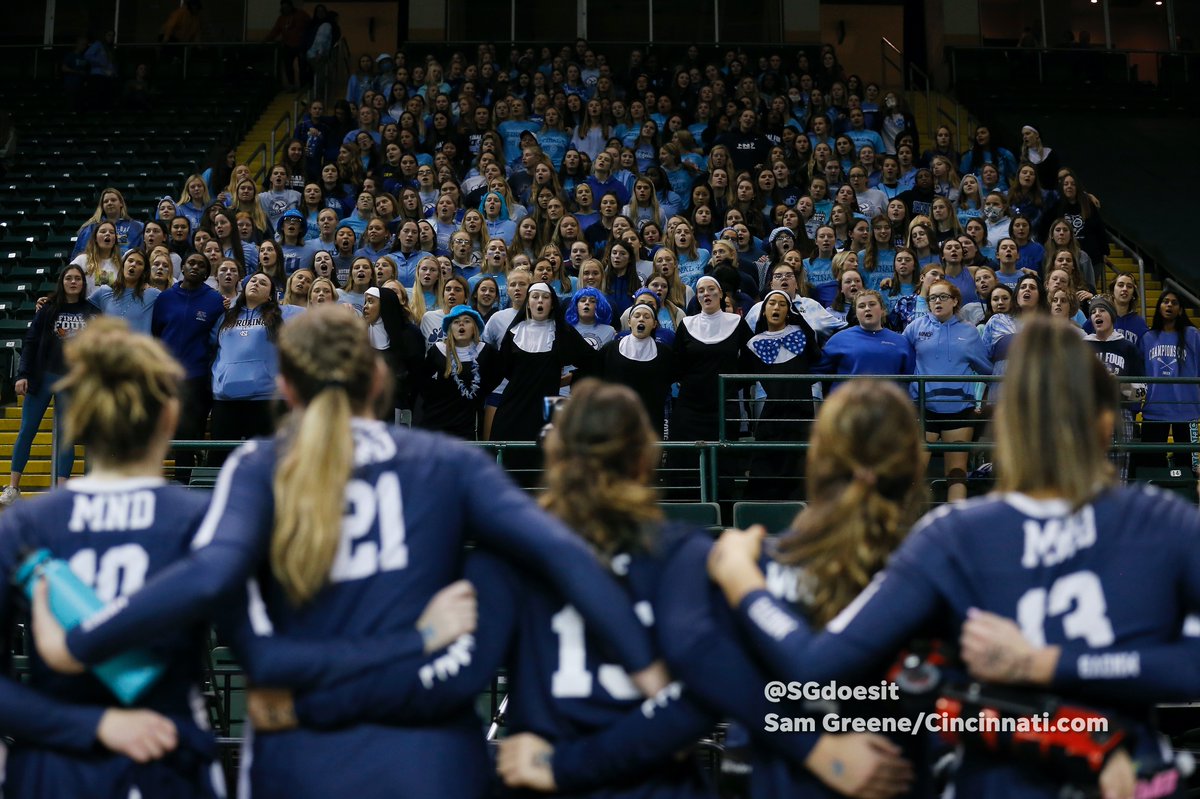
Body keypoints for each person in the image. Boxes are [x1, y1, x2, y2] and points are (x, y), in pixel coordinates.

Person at [34, 306, 665, 799]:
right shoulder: (450, 461)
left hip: (301, 754)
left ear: (285, 386)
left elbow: (209, 577)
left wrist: (82, 641)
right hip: (430, 758)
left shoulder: (259, 464)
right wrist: (651, 676)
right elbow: (565, 554)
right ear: (380, 378)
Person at [703, 317, 1180, 799]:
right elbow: (944, 702)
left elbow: (762, 679)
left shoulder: (946, 539)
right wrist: (1089, 727)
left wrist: (744, 584)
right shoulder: (1162, 519)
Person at [0, 318, 223, 797]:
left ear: (78, 418)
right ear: (169, 415)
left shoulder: (22, 526)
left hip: (55, 771)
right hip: (169, 760)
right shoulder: (205, 520)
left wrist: (91, 724)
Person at [0, 265, 96, 505]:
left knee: (66, 436)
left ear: (83, 283)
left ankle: (61, 494)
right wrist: (22, 374)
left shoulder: (91, 312)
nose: (73, 282)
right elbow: (31, 342)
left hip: (72, 381)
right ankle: (13, 488)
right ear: (62, 282)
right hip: (43, 377)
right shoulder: (48, 309)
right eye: (68, 278)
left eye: (77, 279)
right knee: (27, 430)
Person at [904, 279, 992, 502]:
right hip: (923, 408)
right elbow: (902, 360)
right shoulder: (915, 327)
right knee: (913, 473)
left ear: (954, 301)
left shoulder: (969, 331)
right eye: (933, 297)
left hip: (959, 409)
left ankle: (957, 520)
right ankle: (909, 520)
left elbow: (986, 369)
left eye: (943, 297)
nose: (937, 301)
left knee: (956, 472)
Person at [743, 290, 821, 500]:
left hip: (802, 411)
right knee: (767, 464)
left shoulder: (802, 334)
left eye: (782, 304)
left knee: (801, 465)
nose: (776, 307)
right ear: (763, 311)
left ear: (789, 311)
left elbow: (816, 356)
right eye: (771, 303)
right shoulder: (754, 344)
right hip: (773, 412)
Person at [1138, 290, 1200, 475]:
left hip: (1186, 410)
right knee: (1152, 467)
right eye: (1165, 301)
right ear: (1159, 307)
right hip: (1155, 409)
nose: (1169, 305)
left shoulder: (1193, 335)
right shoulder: (1148, 338)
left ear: (1180, 310)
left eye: (1174, 302)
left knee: (1187, 467)